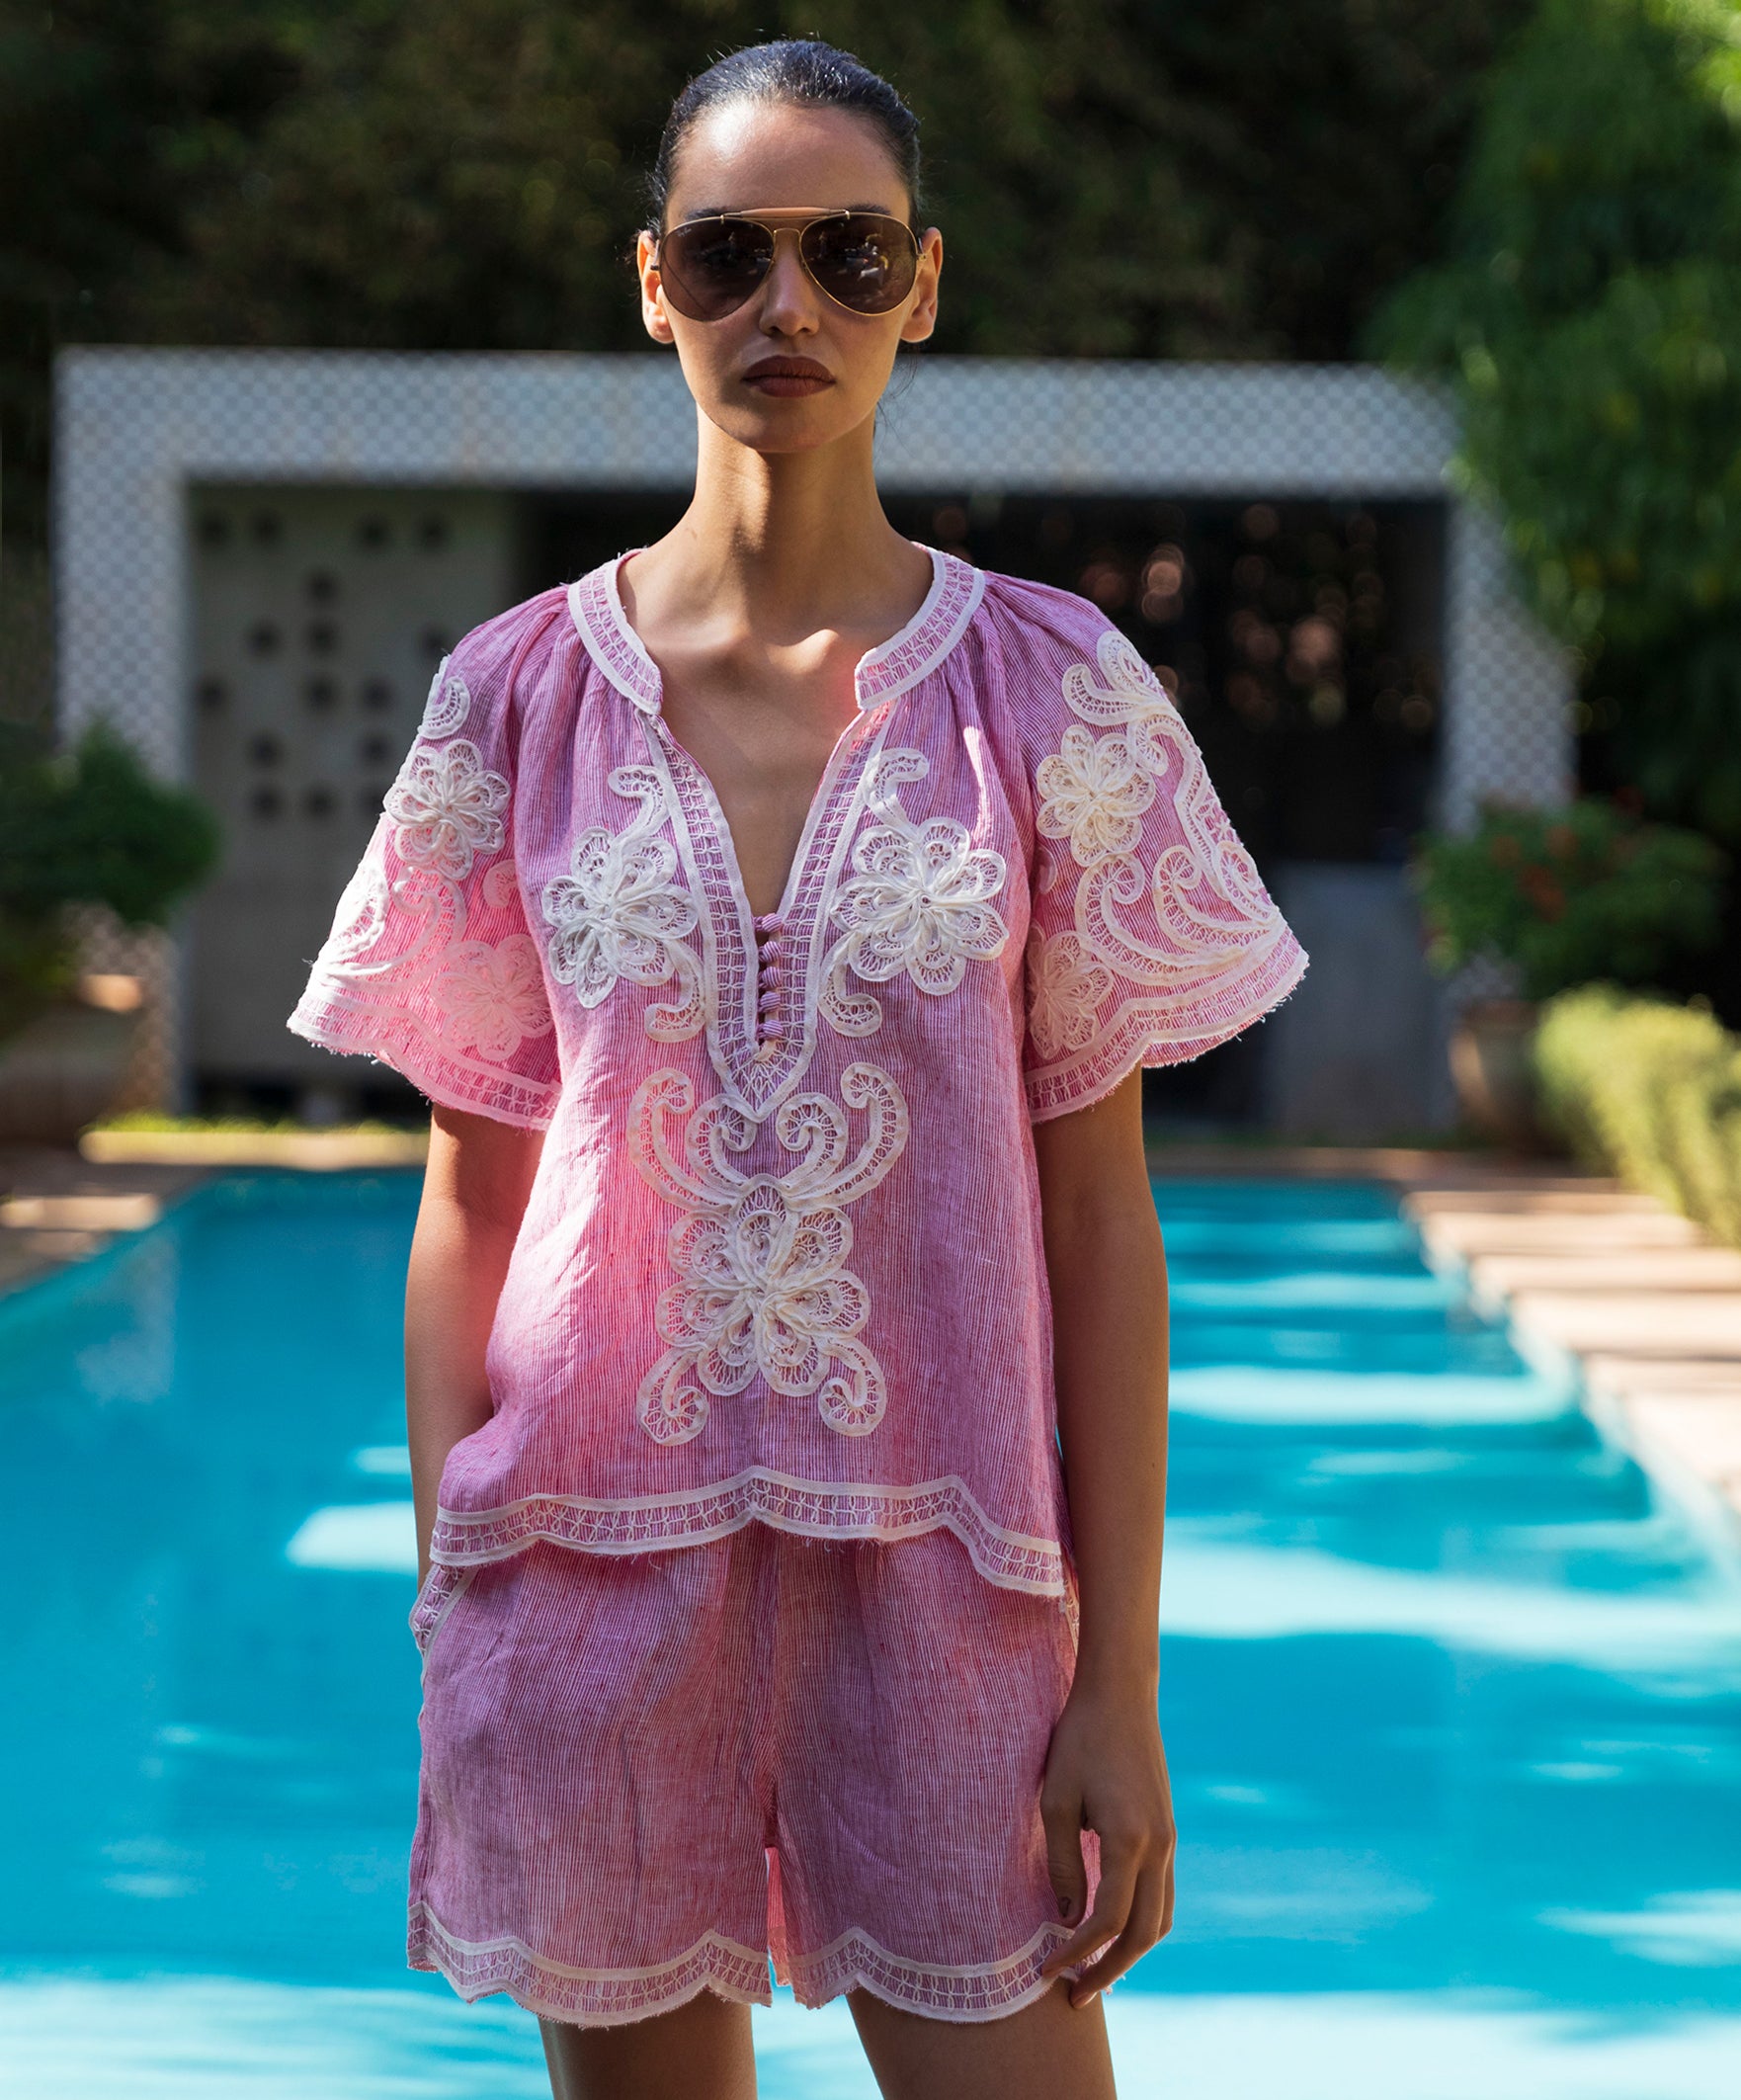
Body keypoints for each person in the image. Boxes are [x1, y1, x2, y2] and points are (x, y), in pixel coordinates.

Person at [290, 39, 1306, 2100]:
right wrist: (449, 1598)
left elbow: (1101, 1224)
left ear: (921, 285)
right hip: (581, 1588)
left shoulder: (1045, 692)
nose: (789, 309)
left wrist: (1118, 1679)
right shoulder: (514, 702)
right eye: (728, 253)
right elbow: (468, 1204)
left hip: (955, 1600)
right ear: (648, 283)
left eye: (846, 253)